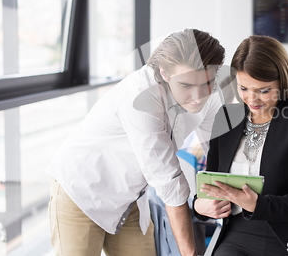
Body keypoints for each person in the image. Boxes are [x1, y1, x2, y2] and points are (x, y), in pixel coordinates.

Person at [47, 29, 225, 256]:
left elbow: (218, 153)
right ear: (165, 73)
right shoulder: (140, 97)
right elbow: (170, 183)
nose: (199, 96)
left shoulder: (210, 93)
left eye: (207, 83)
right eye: (187, 86)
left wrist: (209, 199)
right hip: (81, 192)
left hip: (129, 200)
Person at [193, 35, 288, 255]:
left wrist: (256, 204)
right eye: (244, 88)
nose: (252, 99)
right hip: (237, 235)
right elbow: (211, 182)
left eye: (264, 90)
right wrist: (199, 206)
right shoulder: (227, 117)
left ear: (282, 81)